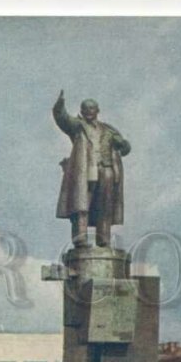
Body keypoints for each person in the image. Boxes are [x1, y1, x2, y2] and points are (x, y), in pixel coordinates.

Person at [52, 90, 131, 247]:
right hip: (86, 171)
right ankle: (80, 239)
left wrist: (124, 144)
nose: (88, 111)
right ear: (81, 111)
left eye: (91, 108)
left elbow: (124, 148)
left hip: (107, 170)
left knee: (105, 206)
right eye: (85, 109)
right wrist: (59, 106)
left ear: (97, 111)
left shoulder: (108, 130)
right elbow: (63, 119)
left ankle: (103, 240)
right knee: (82, 204)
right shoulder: (78, 126)